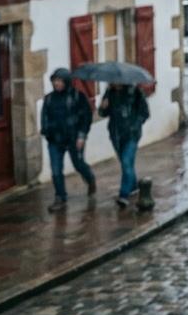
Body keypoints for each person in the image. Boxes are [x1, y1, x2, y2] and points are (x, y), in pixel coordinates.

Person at [40, 68, 97, 212]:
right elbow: (44, 116)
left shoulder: (78, 97)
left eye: (60, 81)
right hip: (55, 140)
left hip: (73, 138)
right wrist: (46, 131)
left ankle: (90, 178)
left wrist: (81, 136)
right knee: (56, 170)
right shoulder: (49, 99)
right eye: (55, 81)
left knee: (78, 164)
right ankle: (60, 197)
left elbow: (86, 117)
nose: (57, 84)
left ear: (66, 82)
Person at [99, 82, 149, 207]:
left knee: (126, 161)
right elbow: (103, 113)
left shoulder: (135, 92)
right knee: (126, 163)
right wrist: (103, 107)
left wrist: (135, 125)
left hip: (131, 135)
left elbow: (145, 113)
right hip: (116, 135)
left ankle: (123, 195)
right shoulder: (109, 93)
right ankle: (133, 186)